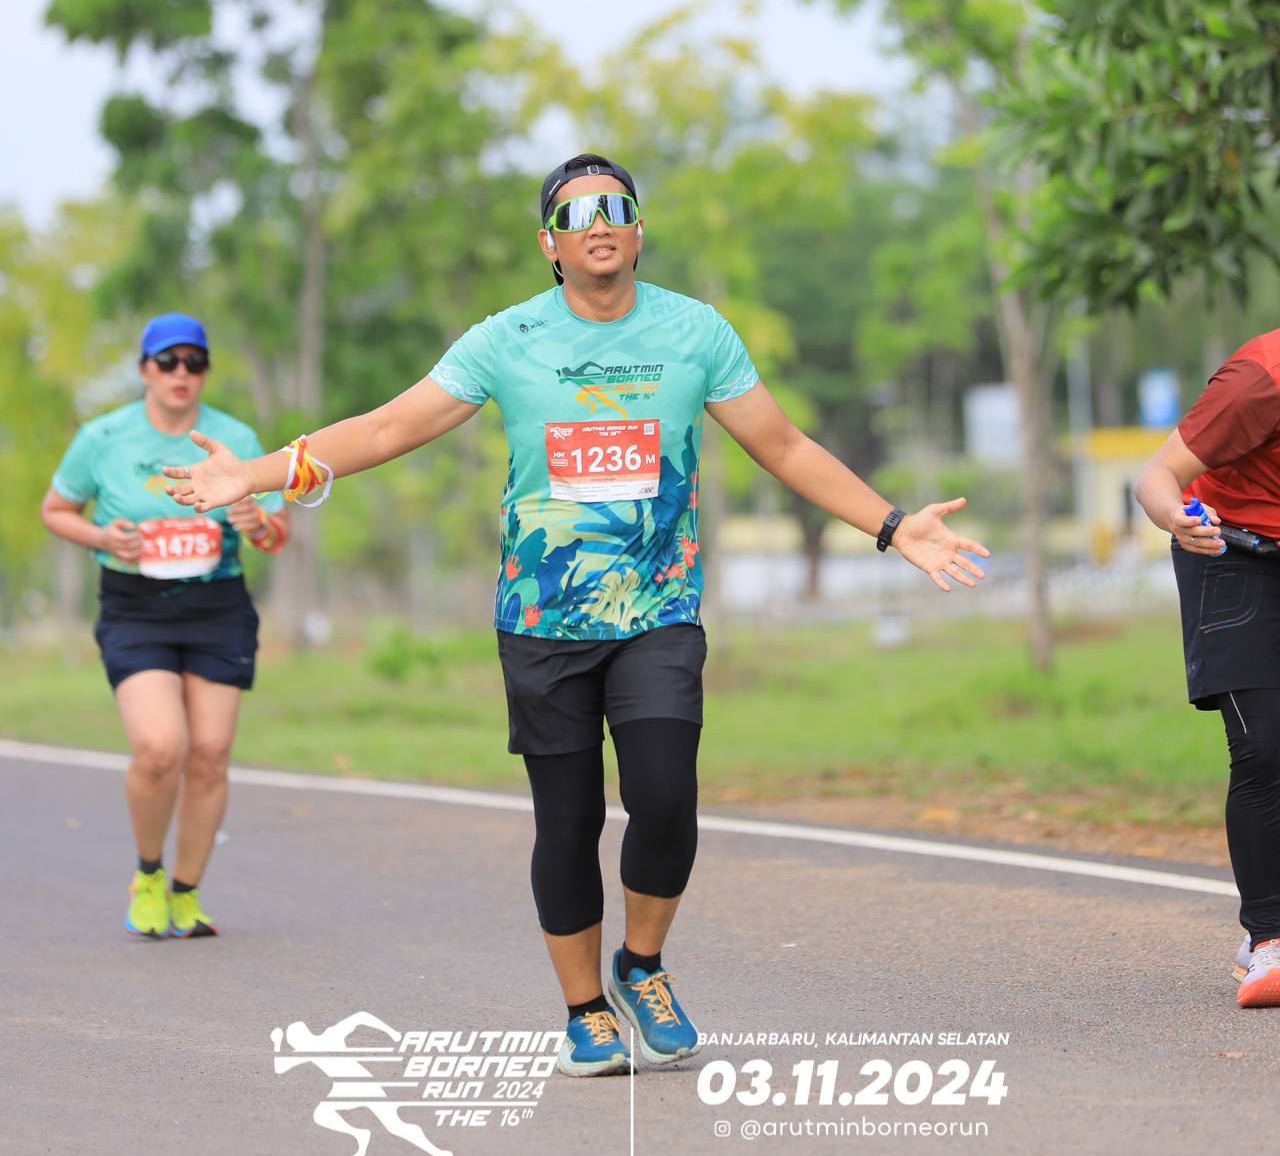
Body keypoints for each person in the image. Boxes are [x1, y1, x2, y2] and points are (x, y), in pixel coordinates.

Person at [165, 155, 989, 1072]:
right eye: (576, 213)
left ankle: (643, 965)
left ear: (637, 230)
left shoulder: (696, 332)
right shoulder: (505, 339)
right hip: (542, 623)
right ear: (550, 244)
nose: (598, 222)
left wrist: (891, 526)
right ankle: (585, 1009)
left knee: (665, 799)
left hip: (657, 612)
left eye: (615, 207)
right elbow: (388, 427)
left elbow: (785, 446)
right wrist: (256, 473)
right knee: (567, 823)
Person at [40, 312, 290, 941]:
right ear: (144, 369)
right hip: (135, 607)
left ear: (205, 370)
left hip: (217, 606)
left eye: (194, 362)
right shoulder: (103, 436)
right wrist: (103, 537)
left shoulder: (234, 436)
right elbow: (56, 510)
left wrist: (254, 522)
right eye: (168, 361)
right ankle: (148, 874)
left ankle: (186, 893)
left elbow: (276, 535)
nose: (182, 373)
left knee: (209, 756)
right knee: (160, 749)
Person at [1135, 330, 1280, 1008]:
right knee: (1265, 744)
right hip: (1231, 551)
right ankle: (1269, 940)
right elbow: (1154, 477)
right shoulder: (1262, 379)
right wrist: (1177, 518)